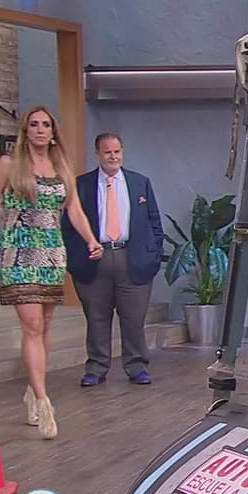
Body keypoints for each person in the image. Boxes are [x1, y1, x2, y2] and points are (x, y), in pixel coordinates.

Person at [0, 106, 103, 440]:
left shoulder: (61, 166)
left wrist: (91, 239)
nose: (40, 130)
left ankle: (33, 388)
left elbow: (74, 210)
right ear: (25, 130)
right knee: (32, 325)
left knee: (45, 325)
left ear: (53, 132)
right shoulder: (9, 165)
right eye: (34, 125)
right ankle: (43, 401)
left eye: (46, 125)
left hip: (51, 253)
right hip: (18, 252)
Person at [61, 133, 164, 386]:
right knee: (97, 318)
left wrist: (153, 256)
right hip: (94, 259)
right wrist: (76, 258)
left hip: (133, 258)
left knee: (133, 319)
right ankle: (96, 368)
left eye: (117, 151)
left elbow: (154, 222)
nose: (113, 156)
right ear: (97, 153)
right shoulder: (82, 185)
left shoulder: (139, 182)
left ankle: (137, 367)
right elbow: (68, 227)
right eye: (107, 152)